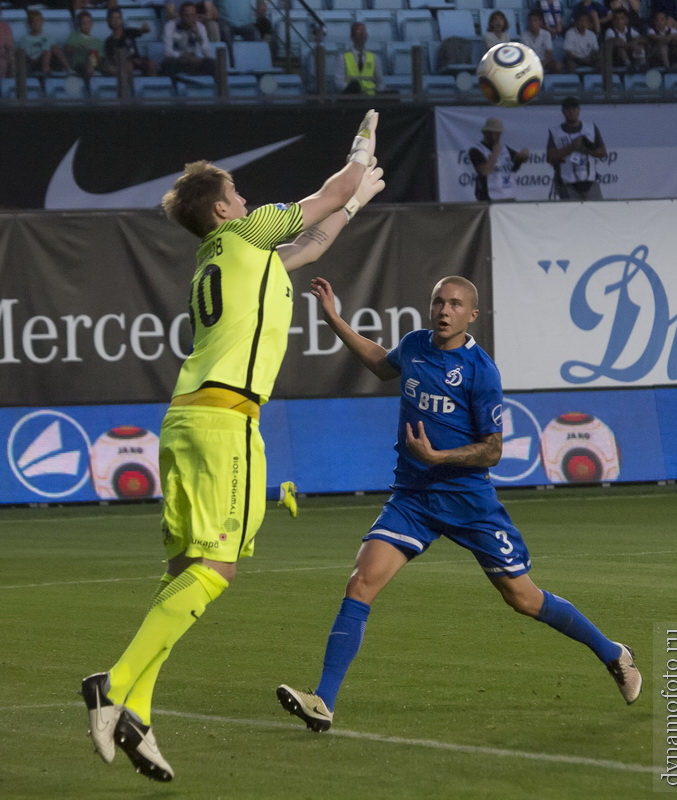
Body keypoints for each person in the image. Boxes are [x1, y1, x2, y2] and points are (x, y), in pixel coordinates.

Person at [80, 109, 384, 783]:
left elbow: (314, 244)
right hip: (226, 424)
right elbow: (328, 195)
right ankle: (115, 684)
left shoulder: (222, 259)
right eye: (240, 193)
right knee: (216, 572)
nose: (248, 200)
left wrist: (356, 203)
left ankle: (140, 715)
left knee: (182, 570)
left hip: (185, 418)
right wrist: (360, 152)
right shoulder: (248, 231)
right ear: (224, 208)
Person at [276, 274, 642, 733]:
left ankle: (613, 653)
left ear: (472, 315)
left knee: (524, 598)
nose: (444, 310)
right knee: (360, 584)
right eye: (438, 302)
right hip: (413, 497)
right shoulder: (413, 345)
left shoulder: (480, 372)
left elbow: (492, 449)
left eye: (455, 304)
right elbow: (380, 363)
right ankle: (323, 701)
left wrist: (437, 456)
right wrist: (333, 318)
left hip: (469, 502)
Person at [547, 96, 607, 200]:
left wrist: (584, 149)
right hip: (568, 183)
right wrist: (572, 147)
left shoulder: (590, 128)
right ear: (563, 111)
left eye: (574, 108)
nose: (571, 112)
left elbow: (602, 152)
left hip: (590, 182)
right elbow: (550, 158)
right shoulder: (556, 132)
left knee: (597, 213)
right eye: (568, 109)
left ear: (579, 110)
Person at [468, 117, 528, 203]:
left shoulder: (504, 148)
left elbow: (515, 166)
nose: (498, 137)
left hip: (508, 195)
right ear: (486, 133)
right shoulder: (476, 150)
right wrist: (495, 153)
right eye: (495, 133)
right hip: (488, 197)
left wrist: (524, 154)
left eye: (499, 134)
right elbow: (485, 171)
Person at [160, 1, 215, 77]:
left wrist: (198, 37)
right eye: (186, 15)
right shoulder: (170, 26)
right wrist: (183, 56)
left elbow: (206, 52)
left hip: (193, 60)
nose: (190, 18)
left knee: (211, 63)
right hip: (177, 60)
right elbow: (167, 51)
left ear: (196, 16)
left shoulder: (200, 27)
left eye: (192, 15)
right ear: (180, 16)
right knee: (169, 63)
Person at [104, 7, 157, 81]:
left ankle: (151, 88)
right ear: (109, 21)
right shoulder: (109, 41)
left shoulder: (129, 32)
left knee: (151, 64)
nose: (116, 21)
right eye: (113, 18)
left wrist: (145, 29)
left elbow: (142, 31)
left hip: (137, 61)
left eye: (118, 18)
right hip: (123, 64)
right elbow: (112, 59)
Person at [334, 22, 384, 96]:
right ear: (352, 36)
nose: (362, 35)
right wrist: (355, 92)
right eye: (358, 32)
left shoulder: (374, 57)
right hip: (351, 99)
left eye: (363, 32)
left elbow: (380, 81)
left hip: (371, 99)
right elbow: (339, 82)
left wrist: (378, 97)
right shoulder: (342, 57)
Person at [19, 9, 73, 76]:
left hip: (49, 60)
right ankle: (46, 72)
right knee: (47, 51)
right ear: (29, 24)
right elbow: (25, 56)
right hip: (34, 62)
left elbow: (54, 50)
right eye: (33, 21)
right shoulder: (25, 39)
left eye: (38, 21)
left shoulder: (48, 37)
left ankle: (68, 69)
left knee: (54, 48)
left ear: (42, 22)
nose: (36, 24)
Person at [64, 10, 106, 80]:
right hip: (78, 65)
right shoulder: (74, 36)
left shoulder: (98, 41)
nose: (86, 25)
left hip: (94, 66)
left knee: (92, 53)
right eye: (84, 22)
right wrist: (78, 46)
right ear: (79, 24)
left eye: (89, 22)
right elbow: (66, 50)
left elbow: (101, 60)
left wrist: (93, 53)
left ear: (92, 24)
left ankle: (89, 72)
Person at [0, 13, 15, 79]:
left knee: (13, 60)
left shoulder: (5, 26)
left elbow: (9, 45)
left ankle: (13, 85)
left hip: (4, 55)